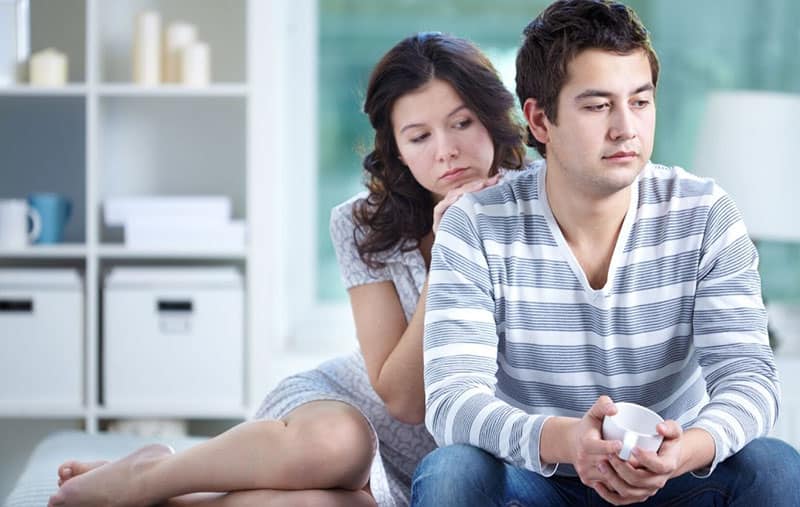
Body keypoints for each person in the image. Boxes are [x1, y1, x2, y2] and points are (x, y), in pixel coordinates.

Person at [47, 32, 527, 507]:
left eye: (462, 123)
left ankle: (164, 492)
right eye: (419, 136)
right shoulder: (362, 223)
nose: (445, 150)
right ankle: (152, 477)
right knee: (341, 444)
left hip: (442, 461)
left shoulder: (540, 207)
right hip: (341, 417)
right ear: (396, 149)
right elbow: (403, 401)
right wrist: (448, 255)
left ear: (492, 118)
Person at [411, 1, 800, 506]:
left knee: (775, 466)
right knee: (451, 471)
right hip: (540, 482)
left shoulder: (705, 214)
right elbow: (451, 402)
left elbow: (749, 381)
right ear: (540, 120)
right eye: (597, 106)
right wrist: (570, 442)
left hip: (671, 479)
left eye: (640, 102)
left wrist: (682, 453)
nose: (626, 129)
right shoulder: (477, 226)